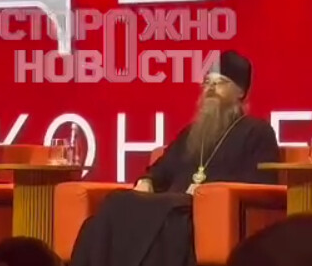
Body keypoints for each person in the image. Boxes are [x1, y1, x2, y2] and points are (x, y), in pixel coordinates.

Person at [70, 50, 280, 266]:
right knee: (116, 202)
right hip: (170, 205)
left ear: (240, 92)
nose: (210, 88)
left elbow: (260, 183)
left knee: (167, 222)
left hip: (197, 211)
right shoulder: (192, 133)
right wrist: (147, 180)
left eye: (220, 83)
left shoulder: (257, 132)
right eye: (207, 82)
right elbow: (161, 169)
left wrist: (207, 191)